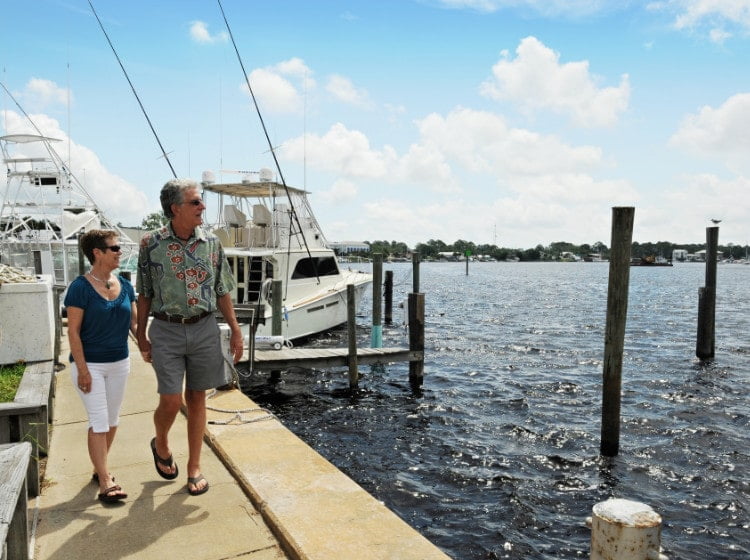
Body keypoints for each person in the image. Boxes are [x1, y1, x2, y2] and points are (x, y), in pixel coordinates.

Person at [136, 178, 243, 496]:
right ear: (176, 208)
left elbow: (222, 290)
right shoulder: (150, 244)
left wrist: (236, 331)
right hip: (166, 328)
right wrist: (140, 334)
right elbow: (145, 293)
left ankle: (195, 467)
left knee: (197, 397)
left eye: (201, 201)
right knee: (171, 399)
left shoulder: (212, 242)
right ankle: (163, 443)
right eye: (196, 202)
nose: (203, 207)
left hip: (204, 327)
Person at [65, 229, 136, 503]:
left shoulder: (126, 286)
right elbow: (73, 332)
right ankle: (106, 481)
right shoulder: (80, 288)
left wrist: (151, 344)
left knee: (112, 420)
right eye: (114, 248)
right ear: (97, 253)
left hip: (120, 363)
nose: (119, 252)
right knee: (99, 421)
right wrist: (82, 369)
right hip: (90, 364)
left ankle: (99, 468)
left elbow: (135, 325)